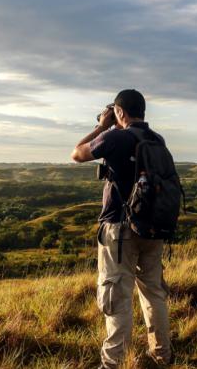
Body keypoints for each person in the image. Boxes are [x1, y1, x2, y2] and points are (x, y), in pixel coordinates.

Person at [71, 89, 171, 368]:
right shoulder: (156, 139)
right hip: (152, 227)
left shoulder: (115, 136)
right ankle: (161, 355)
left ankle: (113, 363)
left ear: (120, 112)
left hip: (120, 229)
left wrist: (101, 126)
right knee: (153, 292)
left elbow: (77, 153)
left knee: (117, 296)